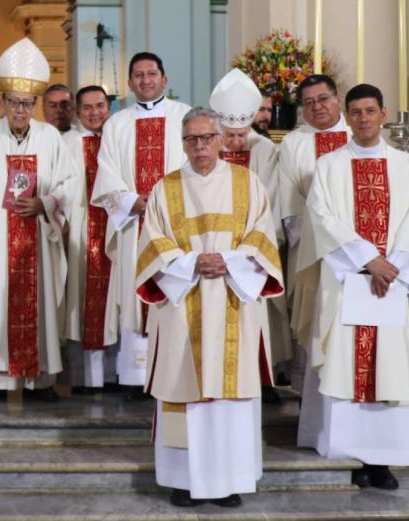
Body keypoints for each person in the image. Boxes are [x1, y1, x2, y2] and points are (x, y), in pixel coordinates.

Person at [295, 83, 409, 490]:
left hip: (393, 283)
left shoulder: (405, 166)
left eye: (370, 111)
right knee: (346, 363)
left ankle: (383, 460)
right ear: (348, 114)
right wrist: (367, 260)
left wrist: (390, 267)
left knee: (391, 366)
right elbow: (321, 221)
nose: (362, 119)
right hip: (347, 284)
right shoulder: (329, 165)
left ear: (383, 113)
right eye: (355, 112)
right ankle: (347, 453)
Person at [136, 106, 283, 508]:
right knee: (184, 390)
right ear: (182, 144)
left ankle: (229, 480)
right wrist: (189, 264)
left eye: (206, 138)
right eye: (191, 139)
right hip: (184, 301)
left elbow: (263, 236)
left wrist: (230, 262)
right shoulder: (165, 189)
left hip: (234, 299)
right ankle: (183, 481)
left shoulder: (247, 183)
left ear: (220, 140)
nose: (199, 146)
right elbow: (151, 243)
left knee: (229, 396)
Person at [0, 38, 75, 402]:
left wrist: (44, 202)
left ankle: (39, 381)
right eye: (13, 102)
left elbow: (69, 182)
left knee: (39, 303)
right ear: (2, 102)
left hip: (37, 236)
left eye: (27, 103)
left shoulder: (49, 138)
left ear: (36, 104)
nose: (20, 110)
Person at [91, 52, 192, 401]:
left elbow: (199, 168)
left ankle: (175, 372)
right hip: (134, 224)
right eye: (138, 75)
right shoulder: (116, 124)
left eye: (152, 74)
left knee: (174, 293)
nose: (146, 80)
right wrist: (132, 201)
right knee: (135, 298)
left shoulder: (185, 118)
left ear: (165, 80)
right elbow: (107, 172)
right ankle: (137, 377)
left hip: (175, 228)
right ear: (131, 83)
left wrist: (167, 203)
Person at [210, 69, 288, 401]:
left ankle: (262, 378)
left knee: (259, 315)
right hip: (212, 246)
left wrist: (244, 246)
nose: (235, 142)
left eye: (241, 135)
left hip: (252, 249)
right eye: (229, 135)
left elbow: (267, 199)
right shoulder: (206, 146)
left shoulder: (265, 150)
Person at [275, 74, 350, 393]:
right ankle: (309, 398)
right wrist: (317, 241)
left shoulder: (357, 134)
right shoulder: (295, 142)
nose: (317, 107)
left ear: (337, 99)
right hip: (309, 250)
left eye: (322, 99)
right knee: (312, 317)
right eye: (308, 103)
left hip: (354, 254)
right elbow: (288, 200)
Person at [61, 85, 116, 393]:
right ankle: (85, 378)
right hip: (81, 228)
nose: (95, 113)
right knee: (81, 300)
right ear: (77, 112)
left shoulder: (118, 137)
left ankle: (117, 375)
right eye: (87, 108)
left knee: (115, 302)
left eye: (100, 106)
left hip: (115, 228)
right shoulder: (67, 142)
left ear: (109, 108)